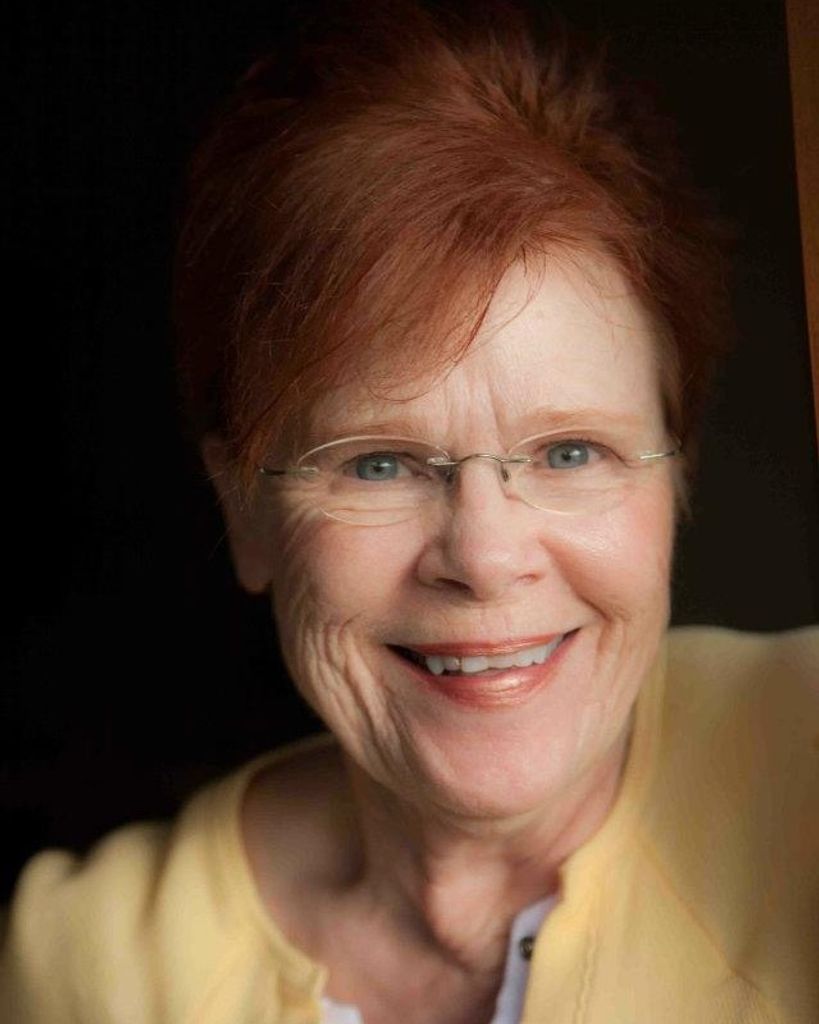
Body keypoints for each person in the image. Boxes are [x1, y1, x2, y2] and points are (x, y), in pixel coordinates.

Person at [2, 3, 818, 1022]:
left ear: (678, 475)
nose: (484, 555)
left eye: (569, 451)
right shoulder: (83, 962)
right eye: (379, 463)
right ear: (244, 510)